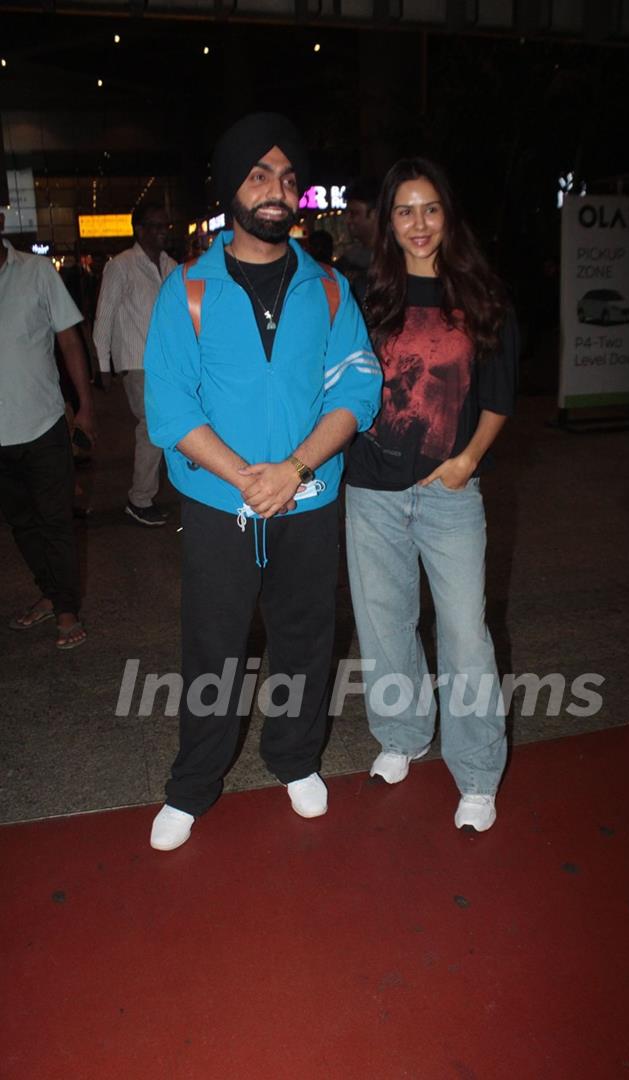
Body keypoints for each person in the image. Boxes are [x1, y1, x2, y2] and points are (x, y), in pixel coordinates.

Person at [144, 112, 382, 851]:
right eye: (258, 176)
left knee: (307, 639)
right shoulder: (187, 289)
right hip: (221, 506)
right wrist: (249, 479)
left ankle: (294, 759)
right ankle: (193, 785)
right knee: (212, 644)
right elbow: (169, 404)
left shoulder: (331, 289)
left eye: (286, 179)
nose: (275, 191)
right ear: (231, 190)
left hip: (310, 500)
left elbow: (358, 389)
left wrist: (294, 470)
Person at [344, 157, 518, 832]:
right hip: (372, 493)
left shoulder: (479, 293)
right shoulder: (367, 296)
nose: (419, 224)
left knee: (466, 635)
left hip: (449, 494)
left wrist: (466, 460)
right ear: (388, 222)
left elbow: (499, 395)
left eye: (431, 209)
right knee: (384, 628)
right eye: (405, 211)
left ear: (449, 215)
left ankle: (477, 772)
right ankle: (403, 735)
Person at [0, 212, 96, 649]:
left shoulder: (37, 272)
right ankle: (49, 592)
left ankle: (66, 608)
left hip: (42, 424)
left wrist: (86, 408)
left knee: (55, 521)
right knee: (22, 524)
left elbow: (69, 341)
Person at [93, 202, 176, 526]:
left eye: (165, 226)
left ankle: (158, 490)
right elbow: (105, 316)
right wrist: (103, 366)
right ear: (138, 229)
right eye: (155, 225)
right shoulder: (121, 266)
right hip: (137, 361)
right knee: (152, 427)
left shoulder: (171, 265)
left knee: (167, 425)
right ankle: (139, 498)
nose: (162, 232)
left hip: (168, 363)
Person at [335, 177, 379, 300]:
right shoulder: (346, 262)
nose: (348, 220)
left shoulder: (396, 262)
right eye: (347, 214)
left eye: (354, 214)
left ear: (374, 215)